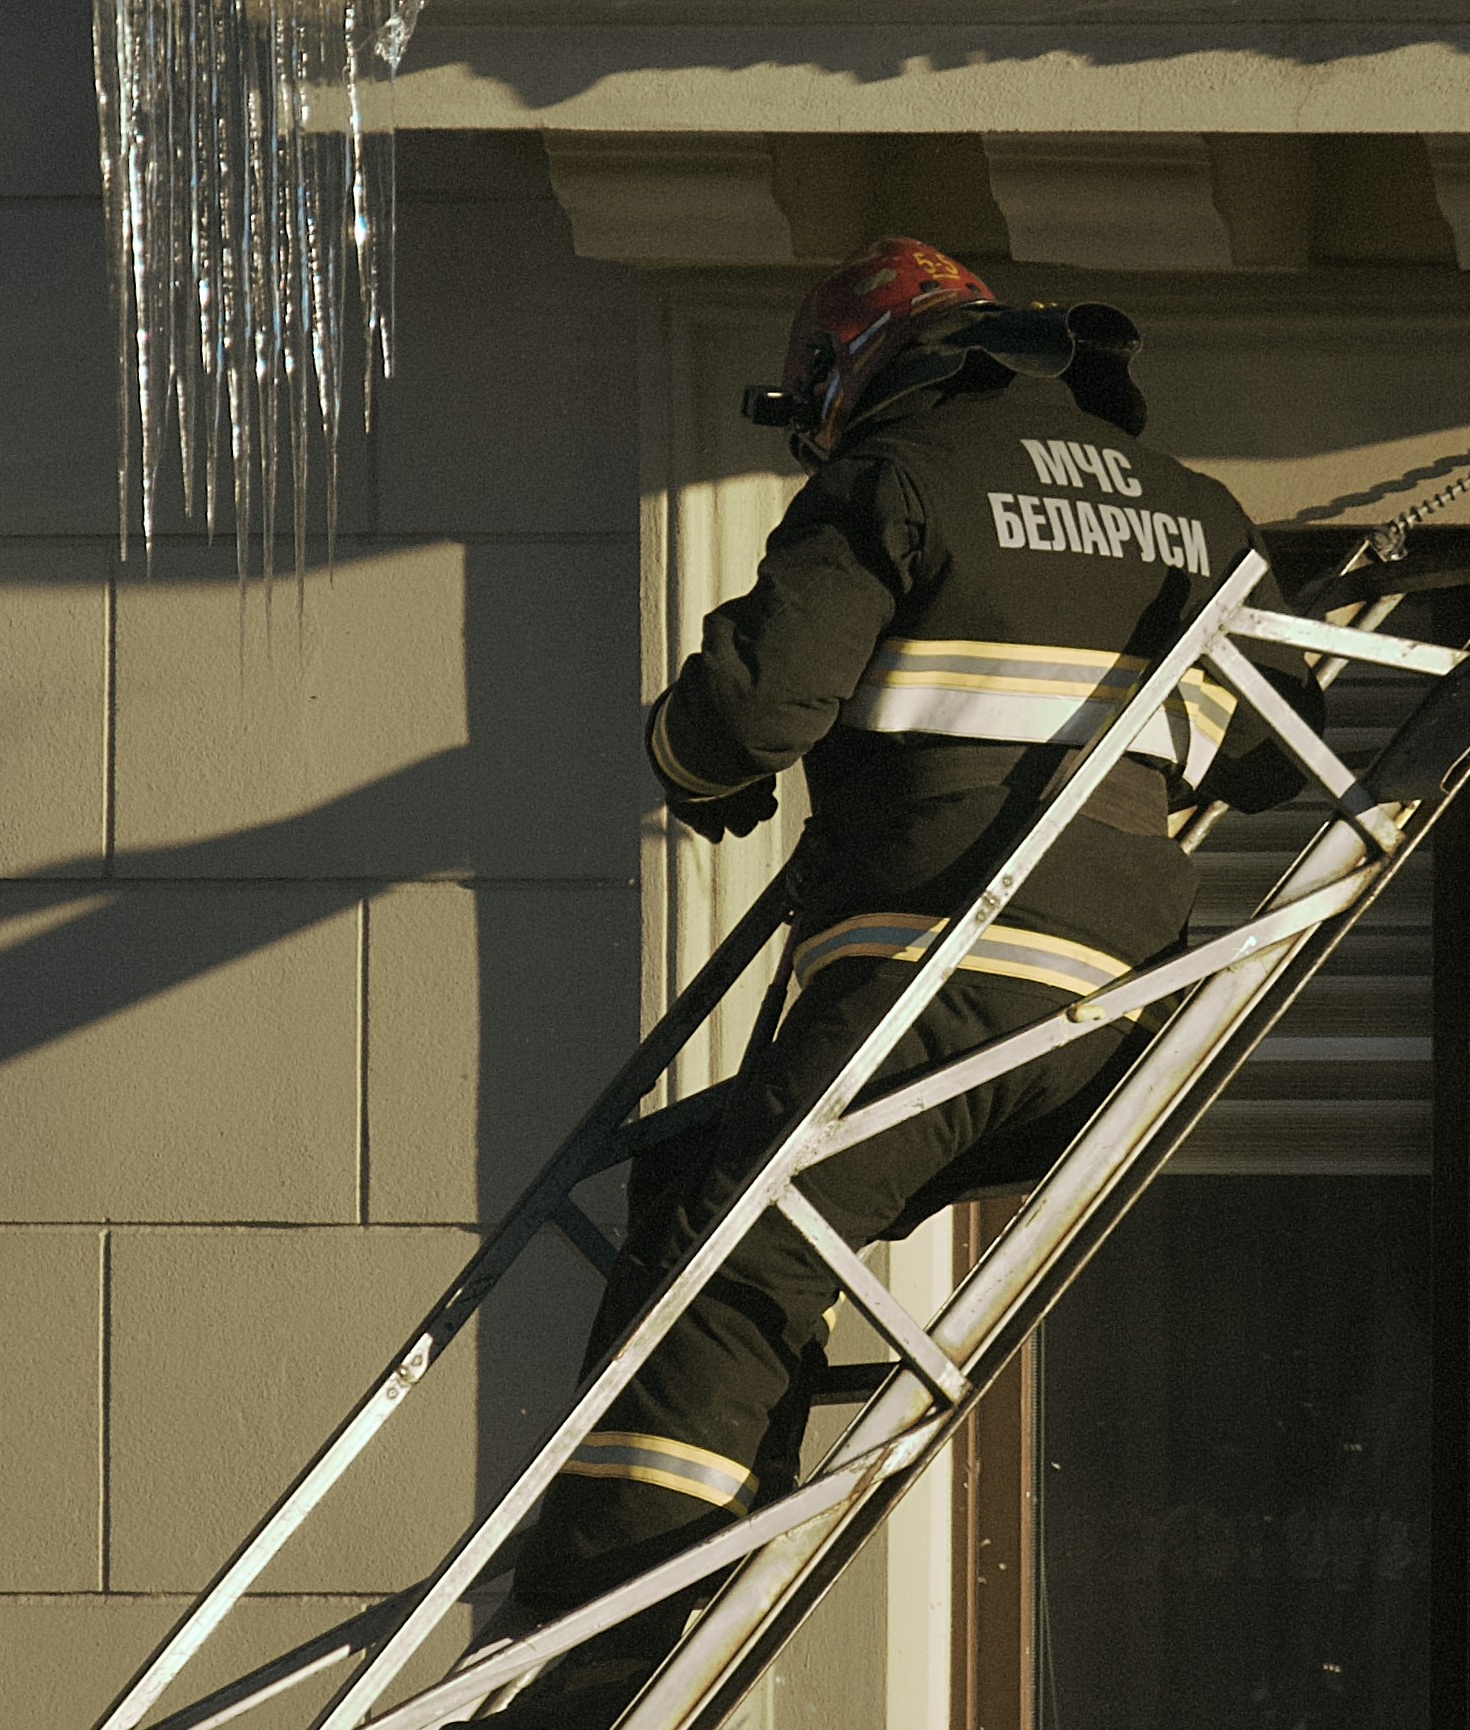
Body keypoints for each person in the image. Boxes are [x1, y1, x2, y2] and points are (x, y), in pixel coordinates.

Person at [491, 237, 1316, 1728]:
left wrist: (689, 763)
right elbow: (1273, 754)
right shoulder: (1195, 511)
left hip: (934, 981)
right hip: (1121, 1022)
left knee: (718, 1276)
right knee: (702, 1179)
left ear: (857, 371)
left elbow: (746, 712)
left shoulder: (900, 477)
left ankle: (591, 1646)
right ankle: (706, 1549)